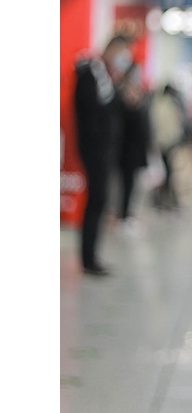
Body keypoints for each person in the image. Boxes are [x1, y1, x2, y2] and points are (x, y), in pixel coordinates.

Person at [73, 33, 133, 275]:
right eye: (122, 51)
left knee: (99, 201)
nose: (124, 57)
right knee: (96, 201)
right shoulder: (91, 74)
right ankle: (88, 259)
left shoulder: (108, 78)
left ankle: (91, 256)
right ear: (112, 48)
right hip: (94, 150)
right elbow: (89, 112)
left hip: (105, 150)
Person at [115, 64, 150, 228]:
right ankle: (122, 215)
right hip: (126, 152)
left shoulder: (139, 102)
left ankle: (126, 213)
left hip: (134, 152)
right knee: (125, 185)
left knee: (131, 186)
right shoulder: (124, 103)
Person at [149, 84, 186, 210]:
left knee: (167, 172)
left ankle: (164, 198)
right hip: (166, 143)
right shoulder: (165, 106)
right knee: (165, 172)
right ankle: (162, 198)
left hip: (166, 143)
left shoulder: (160, 104)